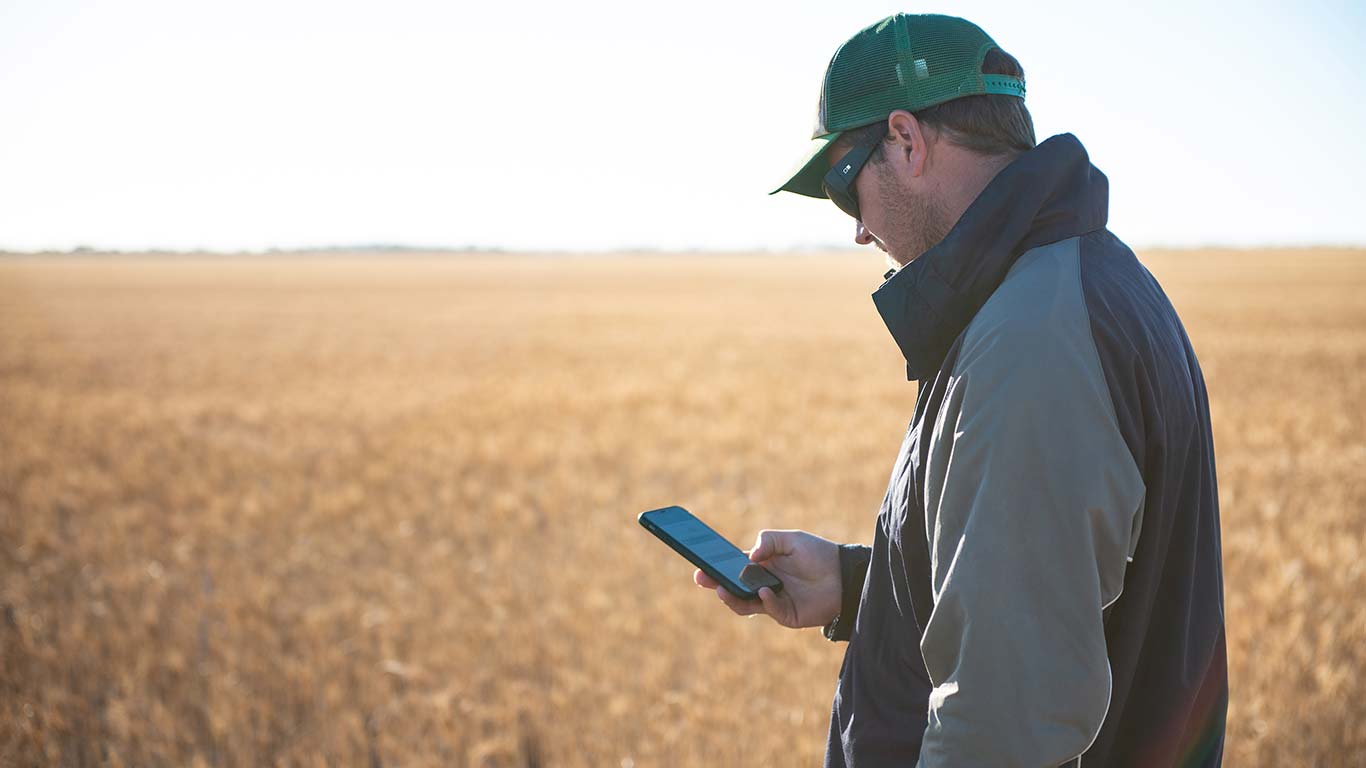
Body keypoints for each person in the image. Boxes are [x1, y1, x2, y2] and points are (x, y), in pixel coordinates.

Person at [692, 13, 1227, 767]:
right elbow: (1045, 589)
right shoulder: (1070, 285)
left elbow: (1004, 726)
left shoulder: (1035, 338)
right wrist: (855, 585)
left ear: (907, 141)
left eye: (845, 186)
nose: (856, 230)